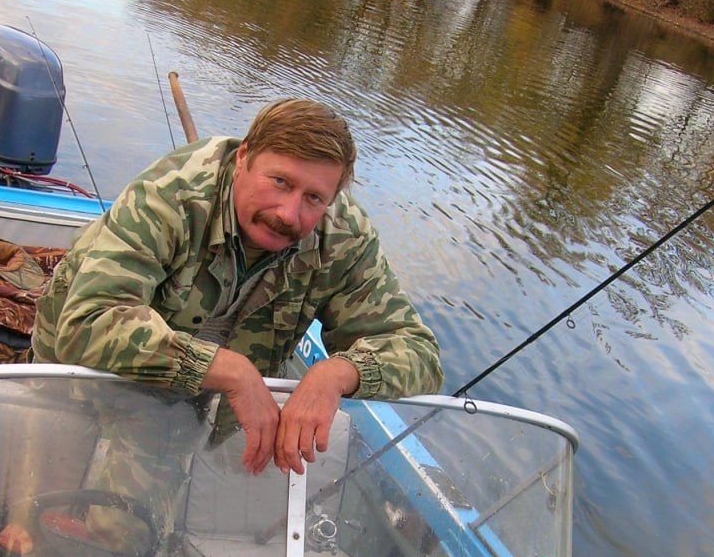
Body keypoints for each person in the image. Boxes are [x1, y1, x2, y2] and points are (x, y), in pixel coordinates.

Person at [32, 98, 443, 477]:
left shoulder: (344, 237)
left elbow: (419, 353)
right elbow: (88, 322)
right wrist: (232, 371)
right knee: (29, 514)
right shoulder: (169, 198)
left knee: (126, 529)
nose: (289, 213)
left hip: (173, 404)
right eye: (280, 182)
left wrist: (337, 373)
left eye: (314, 198)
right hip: (71, 382)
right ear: (243, 156)